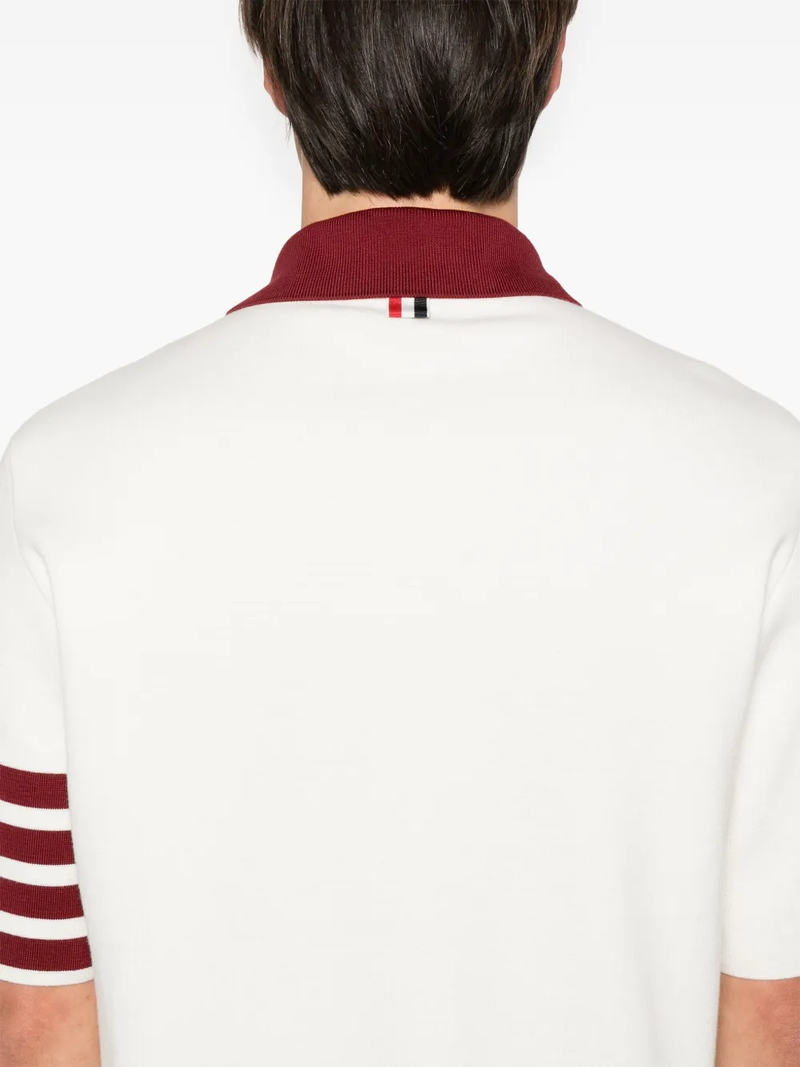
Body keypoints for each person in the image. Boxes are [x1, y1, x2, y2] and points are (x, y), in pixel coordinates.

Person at [1, 1, 798, 1064]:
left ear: (271, 68)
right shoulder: (755, 468)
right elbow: (770, 1009)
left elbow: (42, 1015)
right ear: (554, 65)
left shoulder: (63, 473)